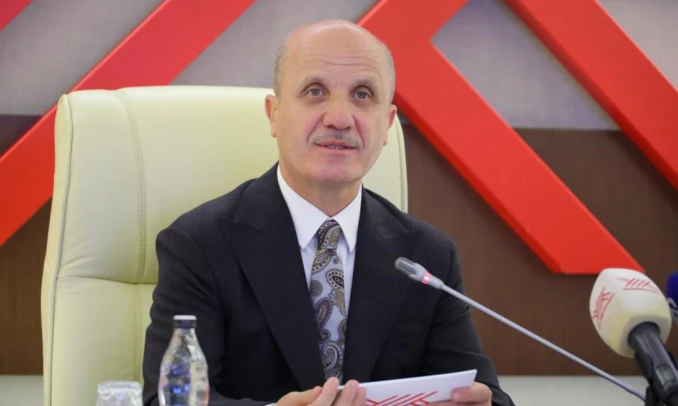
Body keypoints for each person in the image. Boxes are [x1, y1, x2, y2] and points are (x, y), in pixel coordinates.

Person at [142, 19, 514, 406]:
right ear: (274, 114)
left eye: (363, 95)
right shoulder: (200, 245)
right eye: (315, 91)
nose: (339, 118)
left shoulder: (427, 257)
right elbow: (166, 400)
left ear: (387, 124)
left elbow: (488, 395)